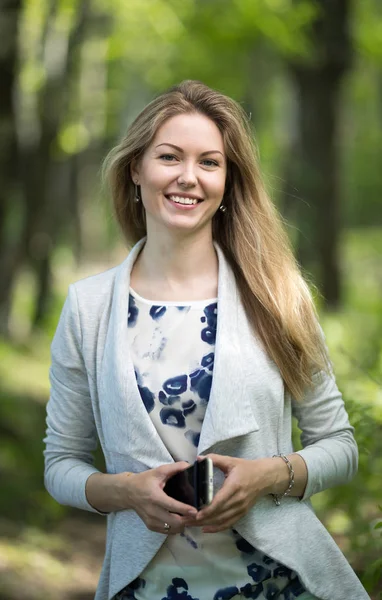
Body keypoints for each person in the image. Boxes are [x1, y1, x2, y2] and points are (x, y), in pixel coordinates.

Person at [43, 80, 369, 600]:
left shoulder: (278, 296)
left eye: (209, 162)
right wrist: (125, 491)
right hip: (146, 588)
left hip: (282, 585)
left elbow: (341, 447)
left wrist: (267, 475)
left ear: (228, 180)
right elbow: (61, 464)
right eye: (169, 157)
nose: (188, 178)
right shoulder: (88, 307)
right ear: (136, 168)